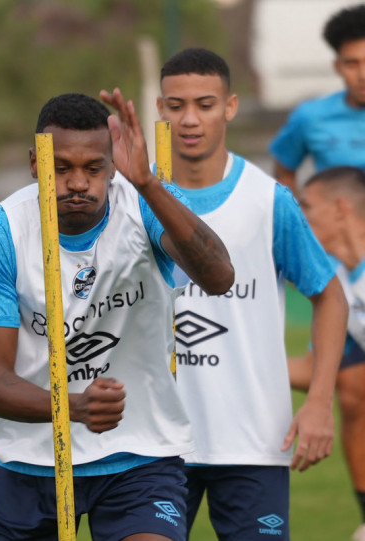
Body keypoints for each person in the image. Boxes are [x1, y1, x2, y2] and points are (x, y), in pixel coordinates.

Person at [0, 91, 234, 540]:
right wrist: (75, 407)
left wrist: (148, 183)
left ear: (111, 164)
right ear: (35, 163)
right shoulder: (1, 231)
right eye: (61, 168)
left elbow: (219, 277)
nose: (77, 183)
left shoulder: (142, 204)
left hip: (140, 455)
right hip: (31, 460)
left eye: (94, 168)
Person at [156, 48, 348, 541]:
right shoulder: (136, 197)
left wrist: (320, 402)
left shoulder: (269, 201)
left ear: (231, 107)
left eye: (205, 104)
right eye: (176, 106)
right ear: (161, 110)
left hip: (252, 439)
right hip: (155, 442)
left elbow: (329, 296)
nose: (190, 119)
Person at [290, 166, 365, 541]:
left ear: (340, 209)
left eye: (307, 206)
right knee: (352, 384)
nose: (299, 218)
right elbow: (312, 370)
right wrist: (222, 359)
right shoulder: (340, 281)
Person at [269, 3, 365, 196]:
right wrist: (299, 220)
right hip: (336, 225)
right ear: (337, 67)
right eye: (351, 63)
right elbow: (284, 171)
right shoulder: (310, 116)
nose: (362, 74)